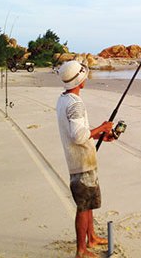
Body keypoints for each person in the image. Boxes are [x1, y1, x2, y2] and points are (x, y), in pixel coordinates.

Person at [56, 60, 114, 258]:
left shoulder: (63, 99)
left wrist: (100, 135)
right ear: (80, 81)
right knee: (83, 206)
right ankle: (81, 250)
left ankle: (92, 237)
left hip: (80, 160)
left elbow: (79, 132)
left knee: (88, 203)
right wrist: (102, 127)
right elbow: (79, 136)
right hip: (81, 162)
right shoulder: (75, 103)